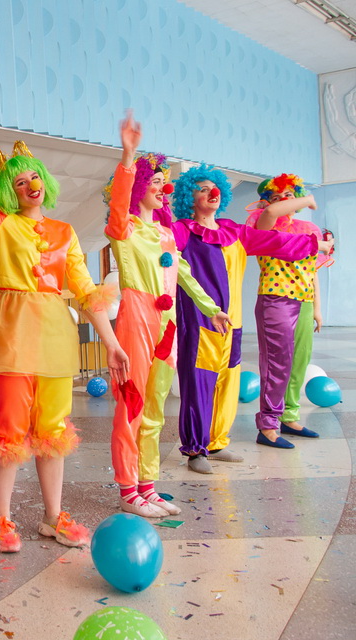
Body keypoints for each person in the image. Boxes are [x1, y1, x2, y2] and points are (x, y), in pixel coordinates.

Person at [0, 98, 129, 551]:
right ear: (9, 192)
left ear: (45, 181)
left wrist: (111, 343)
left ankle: (53, 516)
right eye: (19, 181)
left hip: (54, 336)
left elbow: (86, 291)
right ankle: (3, 519)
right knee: (9, 429)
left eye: (34, 176)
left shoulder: (66, 232)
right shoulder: (0, 225)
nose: (30, 184)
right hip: (11, 335)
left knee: (53, 430)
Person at [103, 113, 230, 517]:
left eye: (164, 182)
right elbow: (118, 204)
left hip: (167, 322)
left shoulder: (164, 233)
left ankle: (147, 484)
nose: (164, 188)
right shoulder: (125, 230)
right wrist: (129, 155)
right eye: (156, 182)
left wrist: (211, 309)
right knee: (132, 404)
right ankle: (128, 489)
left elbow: (185, 274)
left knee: (155, 407)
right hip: (137, 318)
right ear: (139, 187)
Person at [170, 166, 331, 470]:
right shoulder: (183, 231)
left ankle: (217, 442)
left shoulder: (233, 230)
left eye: (214, 188)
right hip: (201, 321)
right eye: (202, 189)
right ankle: (195, 449)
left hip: (233, 323)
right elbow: (161, 246)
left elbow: (276, 242)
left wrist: (314, 244)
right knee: (199, 384)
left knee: (228, 383)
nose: (212, 192)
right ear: (189, 197)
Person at [247, 174, 331, 447]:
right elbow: (272, 212)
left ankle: (289, 416)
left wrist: (317, 308)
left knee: (299, 361)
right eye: (277, 196)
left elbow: (312, 271)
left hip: (304, 300)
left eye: (289, 196)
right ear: (266, 202)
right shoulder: (265, 223)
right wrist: (307, 199)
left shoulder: (308, 228)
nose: (284, 200)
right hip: (276, 299)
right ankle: (268, 425)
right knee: (276, 363)